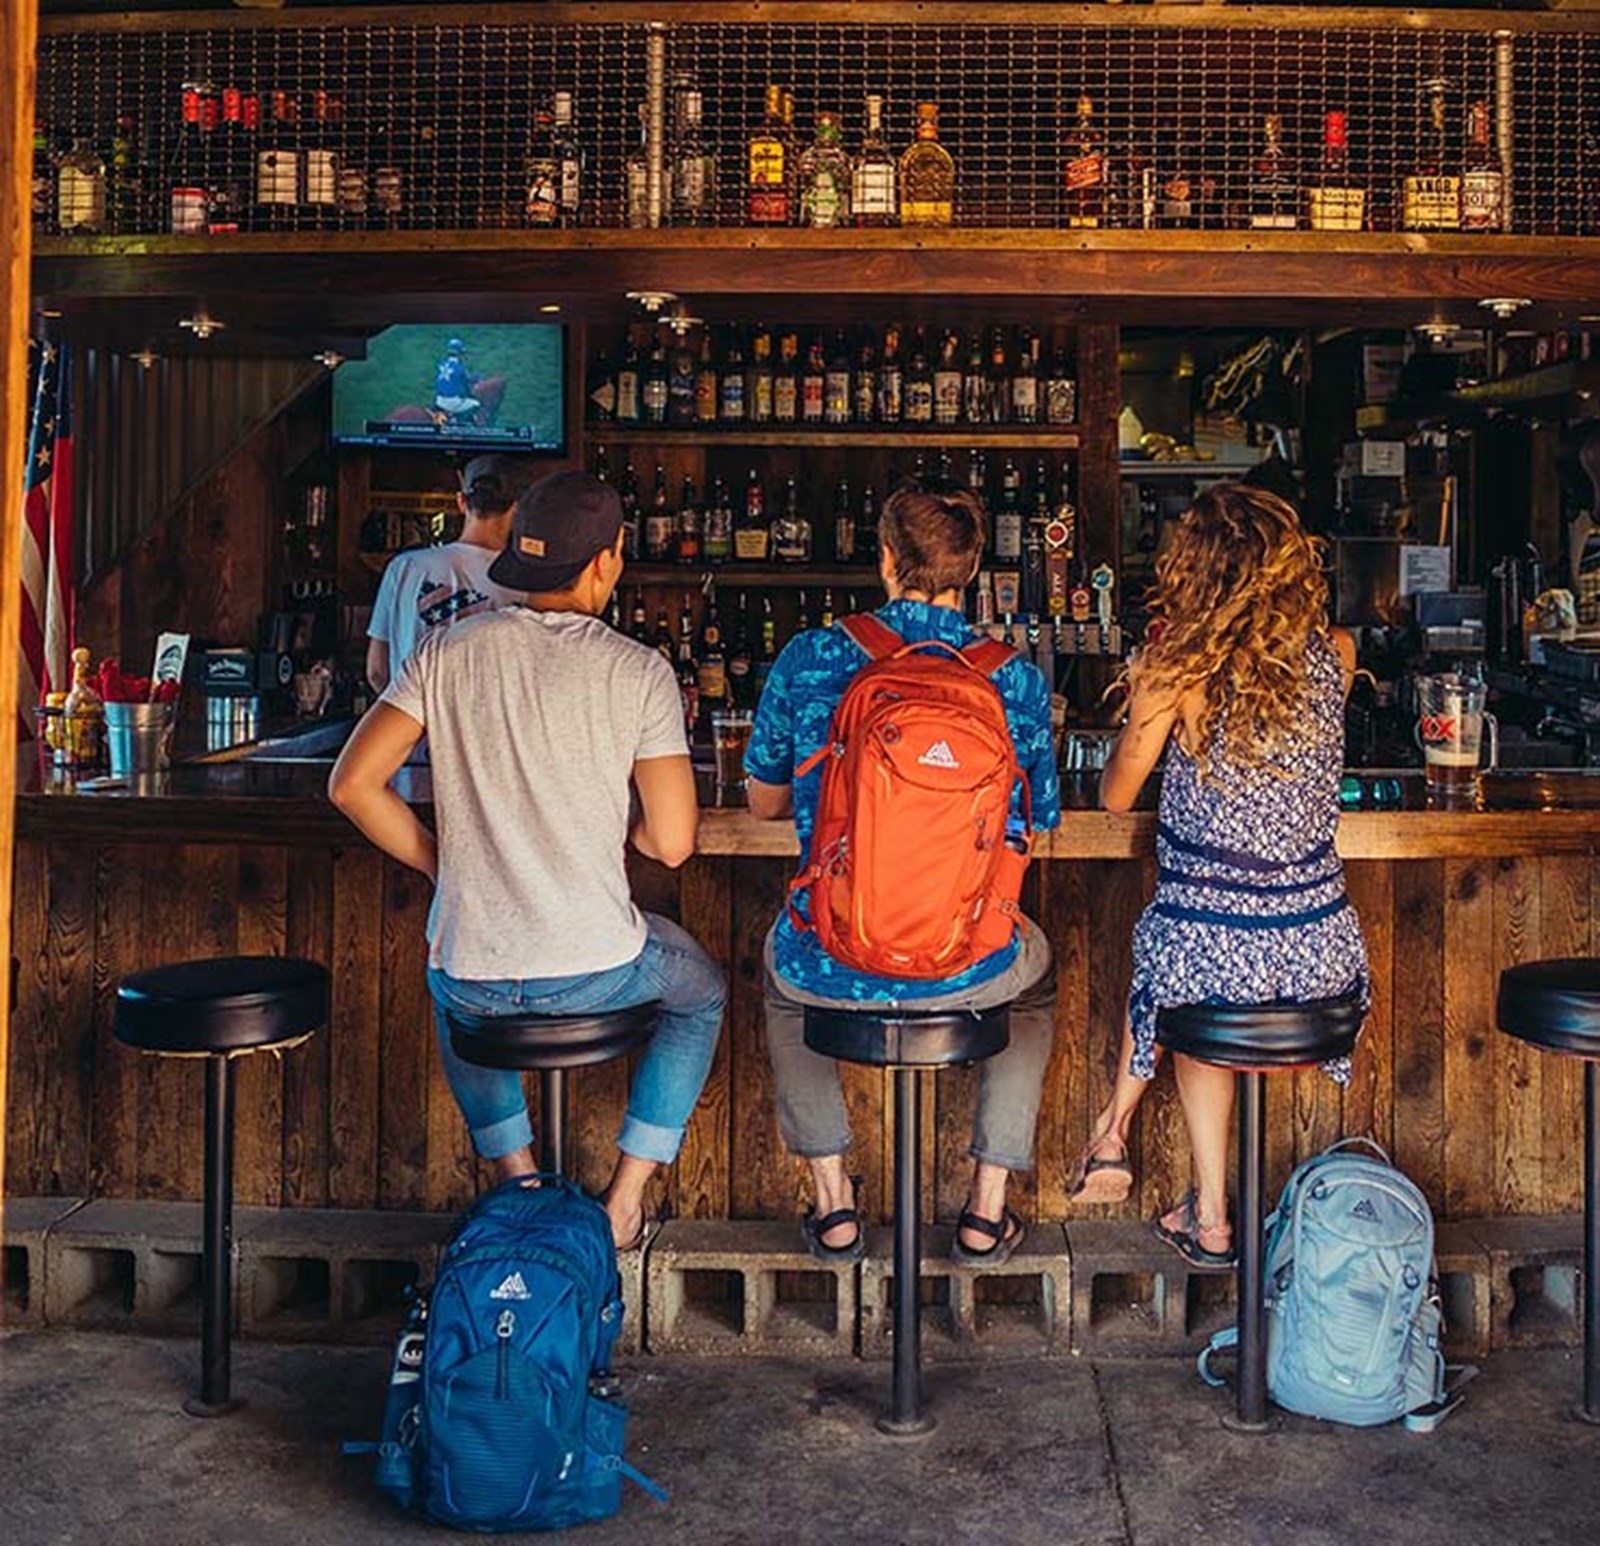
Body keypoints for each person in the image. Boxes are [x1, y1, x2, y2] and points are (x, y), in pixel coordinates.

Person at [329, 471, 725, 1248]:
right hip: (597, 966)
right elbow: (672, 843)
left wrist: (444, 864)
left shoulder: (446, 651)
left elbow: (351, 785)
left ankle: (521, 1181)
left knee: (454, 971)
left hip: (477, 973)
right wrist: (632, 835)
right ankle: (623, 1201)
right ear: (607, 563)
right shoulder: (636, 669)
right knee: (700, 994)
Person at [746, 479, 1060, 1265]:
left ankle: (834, 1201)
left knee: (783, 974)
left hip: (835, 956)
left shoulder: (812, 656)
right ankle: (987, 1207)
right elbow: (1039, 823)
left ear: (885, 558)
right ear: (974, 569)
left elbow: (761, 802)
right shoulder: (1012, 678)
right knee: (1038, 982)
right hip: (969, 963)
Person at [1092, 482, 1368, 1267]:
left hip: (1209, 951)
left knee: (1185, 967)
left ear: (1192, 569)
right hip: (1321, 954)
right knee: (1196, 961)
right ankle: (1191, 1199)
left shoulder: (1174, 668)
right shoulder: (1337, 653)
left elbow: (1116, 800)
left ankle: (1193, 1196)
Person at [366, 453, 528, 695]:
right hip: (486, 730)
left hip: (410, 728)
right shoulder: (525, 581)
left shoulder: (404, 568)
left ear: (461, 501)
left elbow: (377, 672)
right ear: (517, 507)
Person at [434, 337, 480, 422]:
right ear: (459, 353)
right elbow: (466, 388)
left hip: (438, 400)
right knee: (476, 404)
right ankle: (460, 423)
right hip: (452, 402)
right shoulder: (460, 368)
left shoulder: (441, 364)